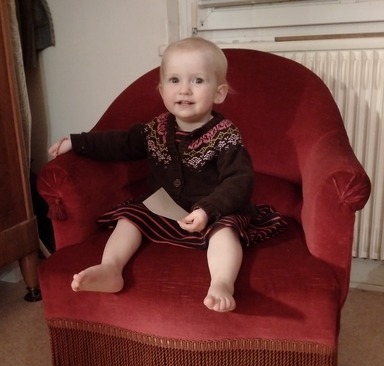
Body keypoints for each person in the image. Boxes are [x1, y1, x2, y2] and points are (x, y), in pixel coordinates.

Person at [49, 37, 286, 312]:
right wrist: (77, 142)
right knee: (130, 217)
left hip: (214, 212)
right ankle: (111, 268)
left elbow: (239, 181)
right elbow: (120, 143)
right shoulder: (156, 128)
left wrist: (208, 209)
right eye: (174, 80)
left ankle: (222, 283)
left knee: (225, 232)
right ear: (162, 90)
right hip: (167, 210)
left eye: (198, 80)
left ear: (219, 93)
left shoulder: (225, 135)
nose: (184, 89)